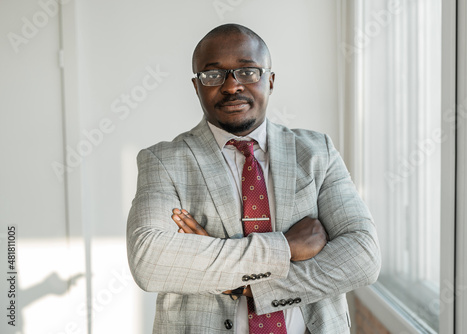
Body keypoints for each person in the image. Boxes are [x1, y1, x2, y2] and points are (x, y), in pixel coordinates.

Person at [127, 23, 380, 334]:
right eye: (212, 75)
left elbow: (363, 256)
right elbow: (150, 262)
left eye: (248, 72)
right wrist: (285, 247)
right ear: (196, 86)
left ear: (270, 81)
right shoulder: (163, 161)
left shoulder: (317, 152)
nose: (232, 86)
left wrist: (248, 288)